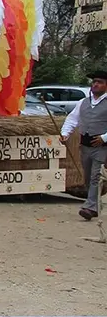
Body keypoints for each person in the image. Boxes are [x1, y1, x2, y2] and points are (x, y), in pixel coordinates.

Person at [60, 70, 107, 220]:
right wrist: (65, 133)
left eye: (99, 82)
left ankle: (89, 207)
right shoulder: (83, 102)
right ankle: (95, 203)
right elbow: (72, 119)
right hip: (85, 145)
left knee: (95, 176)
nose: (95, 84)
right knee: (87, 177)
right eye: (94, 82)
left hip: (102, 147)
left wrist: (104, 138)